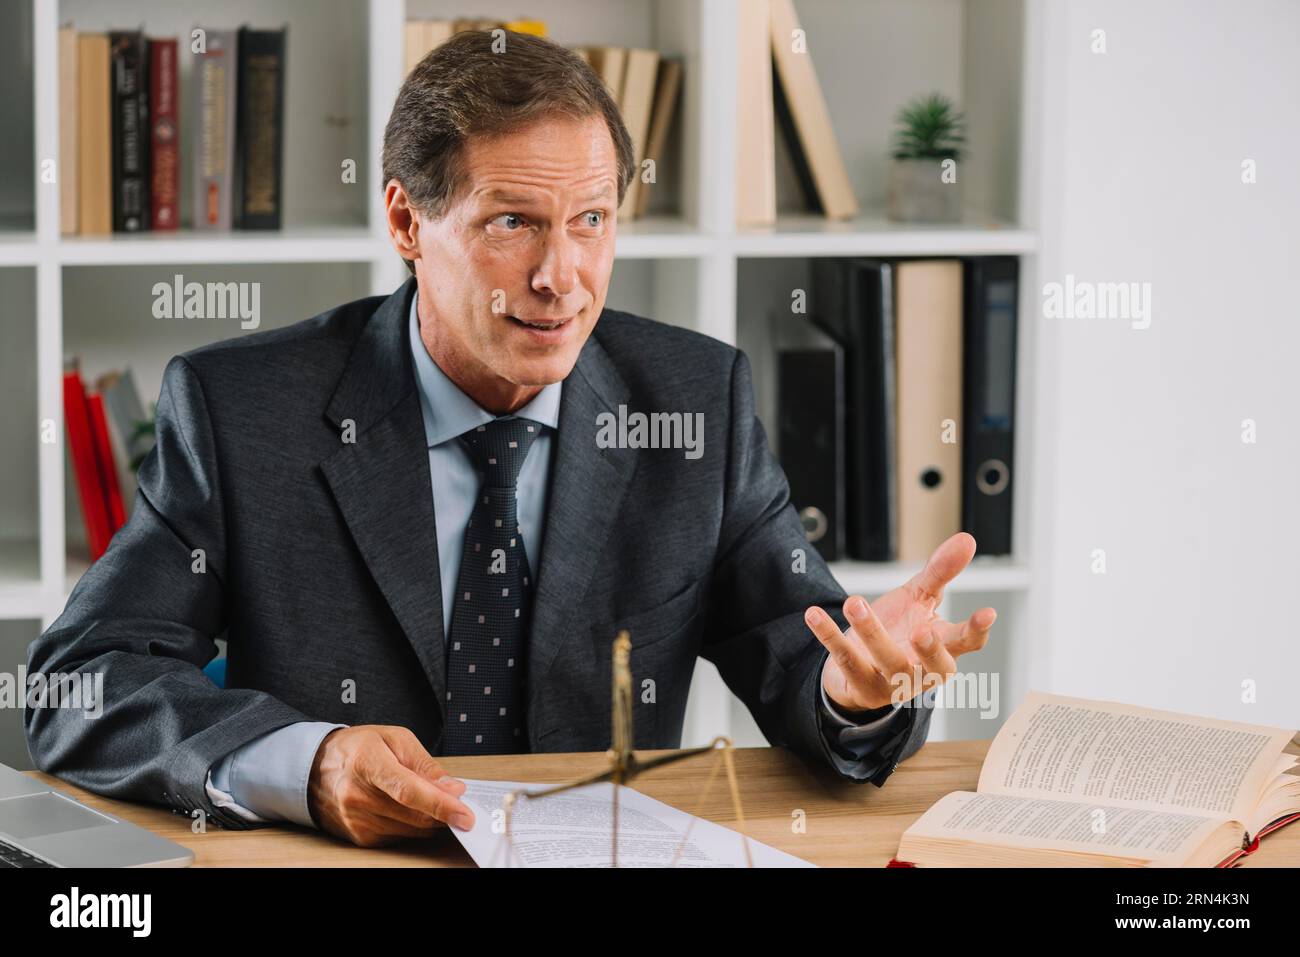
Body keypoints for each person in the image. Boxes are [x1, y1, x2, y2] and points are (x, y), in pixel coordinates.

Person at [26, 30, 995, 848]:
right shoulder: (244, 414)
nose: (561, 276)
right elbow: (79, 685)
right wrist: (309, 765)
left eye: (590, 221)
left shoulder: (693, 404)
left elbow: (807, 656)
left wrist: (859, 690)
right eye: (513, 223)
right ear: (407, 219)